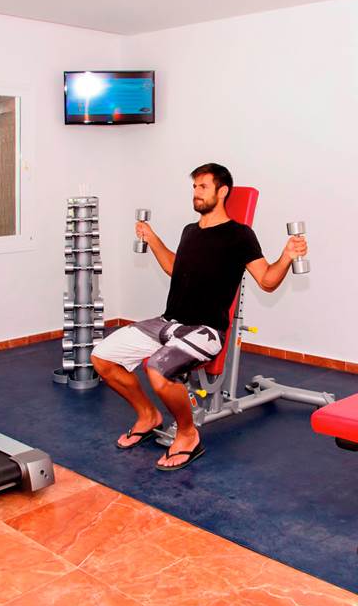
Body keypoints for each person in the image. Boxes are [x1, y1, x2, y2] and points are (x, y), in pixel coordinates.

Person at [91, 163, 308, 470]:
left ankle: (188, 434)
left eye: (203, 187)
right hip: (168, 322)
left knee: (158, 370)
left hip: (206, 330)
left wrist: (286, 256)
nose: (196, 193)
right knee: (102, 357)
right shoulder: (189, 231)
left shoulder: (240, 235)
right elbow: (173, 267)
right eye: (194, 187)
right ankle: (148, 416)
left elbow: (267, 281)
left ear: (223, 191)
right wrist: (152, 238)